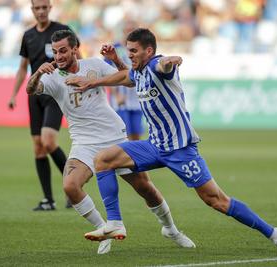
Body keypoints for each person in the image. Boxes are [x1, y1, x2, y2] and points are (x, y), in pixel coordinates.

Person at [65, 28, 277, 254]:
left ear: (149, 51)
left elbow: (165, 63)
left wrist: (172, 60)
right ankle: (115, 222)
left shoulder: (158, 66)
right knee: (103, 159)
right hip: (155, 145)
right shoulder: (139, 71)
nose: (130, 55)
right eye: (128, 50)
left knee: (216, 200)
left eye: (134, 51)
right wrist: (93, 82)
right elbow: (126, 76)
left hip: (180, 150)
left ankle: (274, 233)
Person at [26, 29, 196, 254]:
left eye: (64, 51)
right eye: (55, 52)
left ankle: (171, 229)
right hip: (83, 143)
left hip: (113, 136)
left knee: (145, 188)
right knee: (70, 186)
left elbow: (130, 81)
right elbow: (30, 90)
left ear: (75, 49)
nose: (58, 57)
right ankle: (104, 229)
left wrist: (116, 60)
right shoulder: (51, 76)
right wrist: (37, 72)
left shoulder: (94, 66)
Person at [8, 0, 73, 210]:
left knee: (48, 140)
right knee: (38, 148)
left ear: (50, 9)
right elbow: (22, 68)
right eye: (38, 8)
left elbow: (77, 59)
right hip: (34, 94)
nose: (42, 11)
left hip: (55, 93)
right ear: (32, 10)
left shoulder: (62, 32)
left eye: (45, 7)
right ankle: (48, 200)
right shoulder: (28, 35)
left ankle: (73, 186)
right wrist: (13, 94)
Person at [104, 24, 144, 140]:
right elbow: (107, 73)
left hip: (137, 99)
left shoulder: (141, 49)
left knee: (136, 135)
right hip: (120, 100)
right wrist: (116, 94)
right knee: (124, 134)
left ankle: (134, 158)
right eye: (128, 31)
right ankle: (125, 157)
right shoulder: (114, 48)